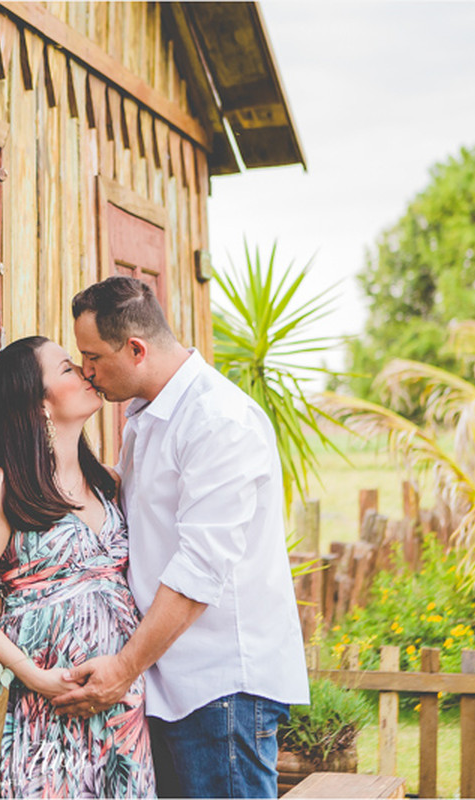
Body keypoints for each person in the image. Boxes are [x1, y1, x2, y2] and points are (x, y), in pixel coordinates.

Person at [54, 276, 309, 799]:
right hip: (170, 678)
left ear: (137, 349)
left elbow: (199, 572)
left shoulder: (218, 421)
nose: (87, 372)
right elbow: (137, 505)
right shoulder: (146, 413)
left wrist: (122, 670)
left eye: (93, 357)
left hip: (221, 689)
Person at [0, 336, 155, 799]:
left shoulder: (107, 482)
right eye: (67, 369)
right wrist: (33, 676)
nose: (85, 373)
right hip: (45, 706)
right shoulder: (2, 488)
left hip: (119, 707)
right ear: (37, 402)